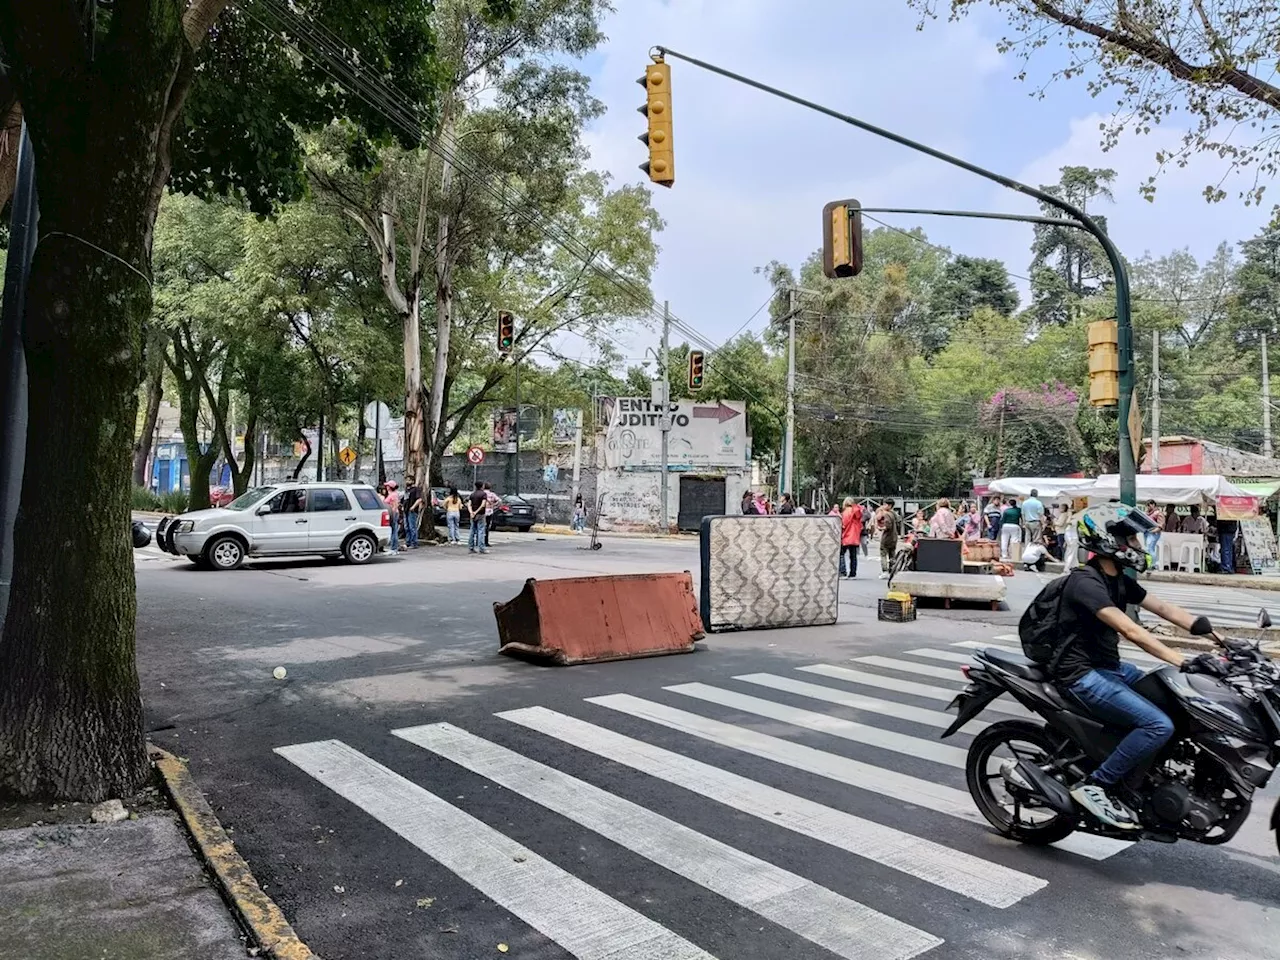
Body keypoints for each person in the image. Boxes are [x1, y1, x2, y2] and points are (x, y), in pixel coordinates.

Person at [1035, 505, 1200, 830]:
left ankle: (1138, 777)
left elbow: (1166, 609)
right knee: (1157, 725)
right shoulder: (1086, 583)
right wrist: (1182, 660)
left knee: (1173, 698)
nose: (1137, 545)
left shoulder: (1120, 581)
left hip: (1110, 669)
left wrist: (1220, 640)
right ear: (1107, 541)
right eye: (1130, 538)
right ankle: (1096, 785)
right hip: (1080, 675)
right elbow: (1131, 630)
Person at [840, 497, 863, 579]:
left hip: (847, 535)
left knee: (841, 554)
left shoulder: (846, 512)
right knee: (853, 556)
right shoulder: (857, 511)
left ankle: (843, 572)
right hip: (855, 536)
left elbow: (844, 524)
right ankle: (853, 573)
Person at [875, 501, 898, 579]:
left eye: (885, 504)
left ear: (889, 505)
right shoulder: (894, 514)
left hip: (887, 537)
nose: (883, 506)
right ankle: (892, 570)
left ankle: (885, 571)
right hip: (894, 537)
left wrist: (880, 528)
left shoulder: (886, 514)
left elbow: (888, 526)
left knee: (883, 554)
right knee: (892, 554)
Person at [467, 481, 488, 554]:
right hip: (481, 514)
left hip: (473, 515)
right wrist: (476, 512)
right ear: (482, 486)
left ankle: (471, 547)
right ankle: (481, 548)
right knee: (481, 531)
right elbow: (483, 504)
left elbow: (469, 504)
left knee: (472, 531)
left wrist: (471, 512)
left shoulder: (472, 494)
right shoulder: (483, 494)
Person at [403, 481, 424, 548]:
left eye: (409, 480)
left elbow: (419, 499)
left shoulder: (416, 489)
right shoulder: (406, 490)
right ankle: (408, 541)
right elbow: (405, 499)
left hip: (412, 511)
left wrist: (413, 506)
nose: (407, 481)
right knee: (407, 527)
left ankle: (414, 543)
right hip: (406, 510)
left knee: (412, 527)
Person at [383, 481, 401, 555]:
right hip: (393, 513)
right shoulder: (393, 494)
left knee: (394, 531)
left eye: (387, 486)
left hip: (393, 514)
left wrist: (393, 514)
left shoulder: (393, 495)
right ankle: (393, 548)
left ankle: (394, 548)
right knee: (393, 531)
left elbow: (395, 505)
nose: (386, 487)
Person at [483, 482, 499, 547]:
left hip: (482, 511)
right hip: (490, 511)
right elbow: (499, 500)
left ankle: (480, 541)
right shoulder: (492, 494)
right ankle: (486, 541)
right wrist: (493, 505)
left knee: (481, 526)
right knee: (487, 526)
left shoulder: (482, 493)